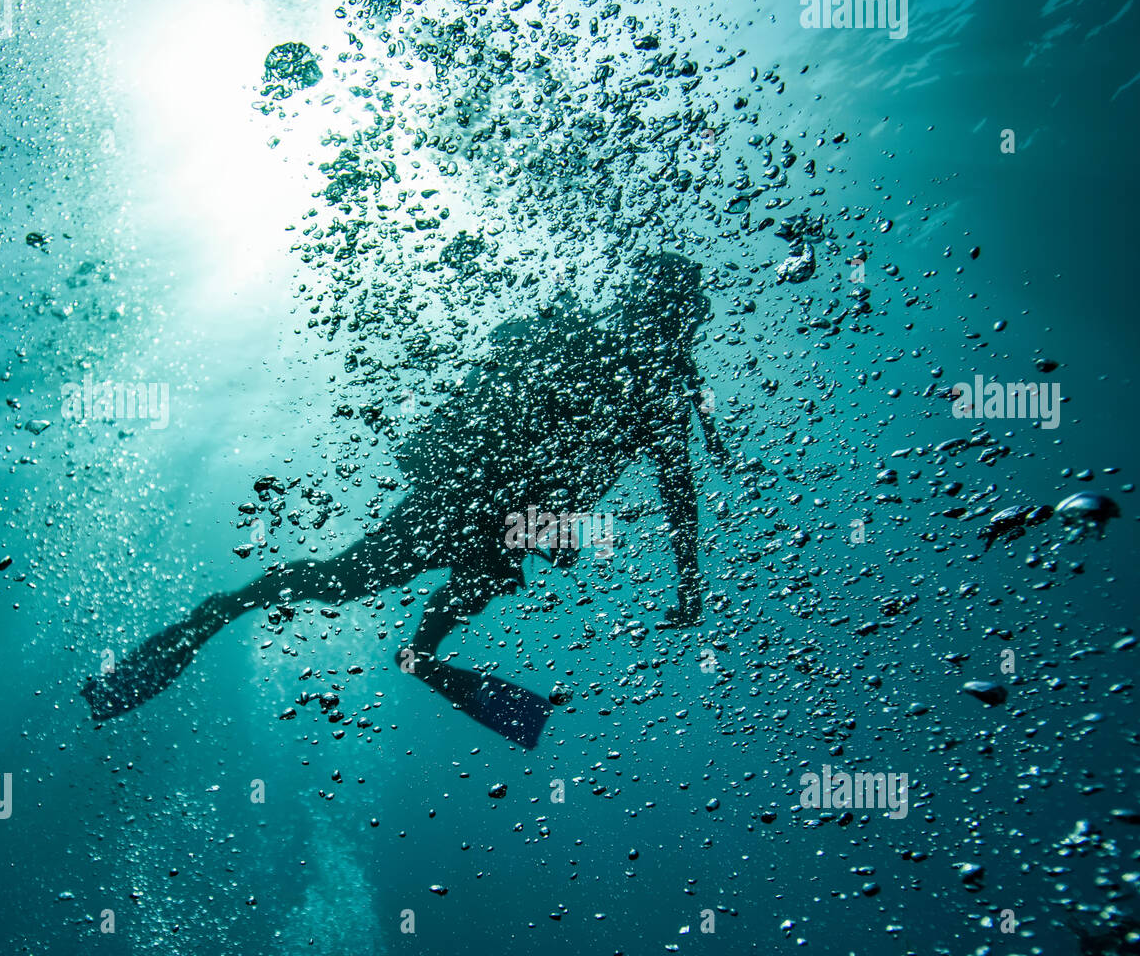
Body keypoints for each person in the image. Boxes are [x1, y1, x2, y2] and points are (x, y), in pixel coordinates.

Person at [83, 252, 728, 746]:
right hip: (479, 506)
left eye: (682, 316)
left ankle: (378, 648)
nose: (678, 328)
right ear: (655, 309)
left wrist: (691, 589)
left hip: (497, 519)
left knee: (367, 599)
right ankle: (233, 610)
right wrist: (689, 589)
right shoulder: (619, 371)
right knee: (349, 589)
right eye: (678, 313)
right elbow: (680, 499)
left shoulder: (643, 392)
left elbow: (679, 495)